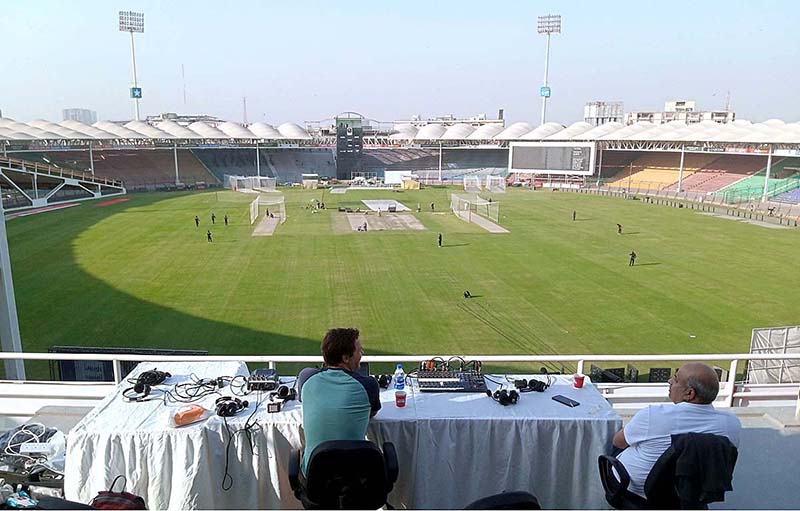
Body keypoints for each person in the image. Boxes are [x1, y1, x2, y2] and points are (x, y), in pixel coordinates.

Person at [613, 363, 741, 497]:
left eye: (676, 379)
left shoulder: (652, 415)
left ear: (689, 393)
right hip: (692, 495)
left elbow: (618, 442)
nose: (670, 381)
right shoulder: (731, 423)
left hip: (635, 492)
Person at [296, 328, 381, 475]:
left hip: (314, 479)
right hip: (359, 481)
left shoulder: (306, 378)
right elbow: (370, 413)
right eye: (359, 351)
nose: (362, 354)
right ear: (346, 358)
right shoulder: (369, 385)